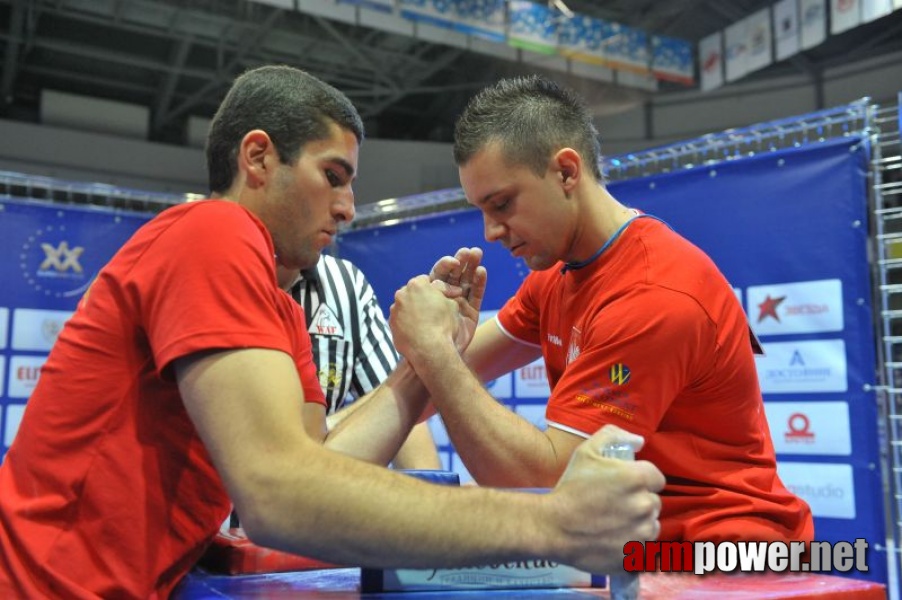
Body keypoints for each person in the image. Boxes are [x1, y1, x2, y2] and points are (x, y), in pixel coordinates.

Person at [0, 66, 664, 598]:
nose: (347, 208)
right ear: (258, 158)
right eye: (333, 177)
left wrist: (426, 363)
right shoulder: (212, 232)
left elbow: (323, 470)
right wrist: (552, 524)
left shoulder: (281, 307)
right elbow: (278, 493)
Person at [388, 75, 812, 543]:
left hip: (726, 554)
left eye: (502, 203)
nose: (491, 231)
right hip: (633, 544)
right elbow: (427, 384)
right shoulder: (558, 273)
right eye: (482, 210)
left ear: (567, 172)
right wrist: (320, 449)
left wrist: (436, 353)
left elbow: (552, 484)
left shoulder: (654, 294)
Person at [277, 256, 440, 468]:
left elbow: (397, 401)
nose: (347, 220)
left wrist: (430, 495)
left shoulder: (345, 284)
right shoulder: (228, 273)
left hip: (311, 482)